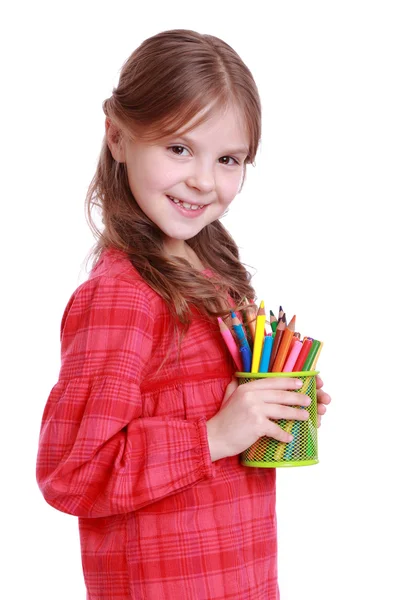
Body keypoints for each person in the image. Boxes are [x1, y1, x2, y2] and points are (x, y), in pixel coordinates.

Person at [36, 28, 331, 600]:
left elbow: (199, 403)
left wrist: (274, 403)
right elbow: (71, 472)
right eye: (178, 148)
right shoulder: (121, 296)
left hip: (241, 577)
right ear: (117, 137)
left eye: (228, 159)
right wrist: (216, 434)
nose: (203, 179)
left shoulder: (211, 271)